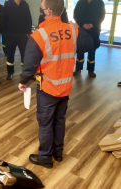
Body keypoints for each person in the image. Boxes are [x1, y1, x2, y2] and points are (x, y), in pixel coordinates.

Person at [18, 0, 93, 168]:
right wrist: (78, 27)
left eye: (43, 7)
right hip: (65, 87)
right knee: (59, 120)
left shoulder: (39, 35)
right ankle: (57, 153)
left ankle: (45, 157)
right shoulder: (73, 30)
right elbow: (90, 44)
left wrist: (23, 81)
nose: (42, 10)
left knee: (45, 122)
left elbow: (29, 64)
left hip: (47, 87)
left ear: (48, 11)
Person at [73, 0, 105, 78]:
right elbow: (76, 15)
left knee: (92, 50)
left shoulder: (100, 2)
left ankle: (91, 70)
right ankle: (78, 69)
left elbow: (101, 16)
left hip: (94, 30)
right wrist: (82, 24)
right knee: (80, 49)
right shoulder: (80, 2)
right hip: (81, 29)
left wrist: (93, 24)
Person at [3, 0, 32, 80]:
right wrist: (5, 33)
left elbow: (29, 19)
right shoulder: (8, 4)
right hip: (10, 35)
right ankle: (10, 73)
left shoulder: (25, 4)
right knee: (10, 55)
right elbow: (3, 19)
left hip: (22, 35)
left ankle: (25, 73)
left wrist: (28, 32)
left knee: (24, 55)